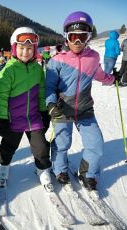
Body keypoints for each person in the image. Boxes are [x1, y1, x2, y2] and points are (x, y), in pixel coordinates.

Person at [45, 11, 115, 191]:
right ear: (66, 36)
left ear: (88, 38)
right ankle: (59, 169)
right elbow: (49, 87)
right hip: (62, 108)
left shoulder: (93, 58)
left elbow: (99, 74)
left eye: (82, 37)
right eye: (73, 36)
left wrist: (113, 78)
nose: (77, 41)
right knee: (62, 142)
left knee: (96, 144)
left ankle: (87, 173)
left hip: (84, 108)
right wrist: (51, 104)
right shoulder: (56, 61)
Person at [0, 27, 52, 192]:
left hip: (33, 117)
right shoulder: (8, 71)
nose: (25, 52)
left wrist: (43, 112)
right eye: (21, 48)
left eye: (29, 48)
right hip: (14, 119)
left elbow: (41, 93)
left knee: (40, 146)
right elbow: (2, 98)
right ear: (14, 48)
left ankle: (41, 168)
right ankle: (3, 165)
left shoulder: (37, 69)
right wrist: (2, 119)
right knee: (8, 145)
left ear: (34, 50)